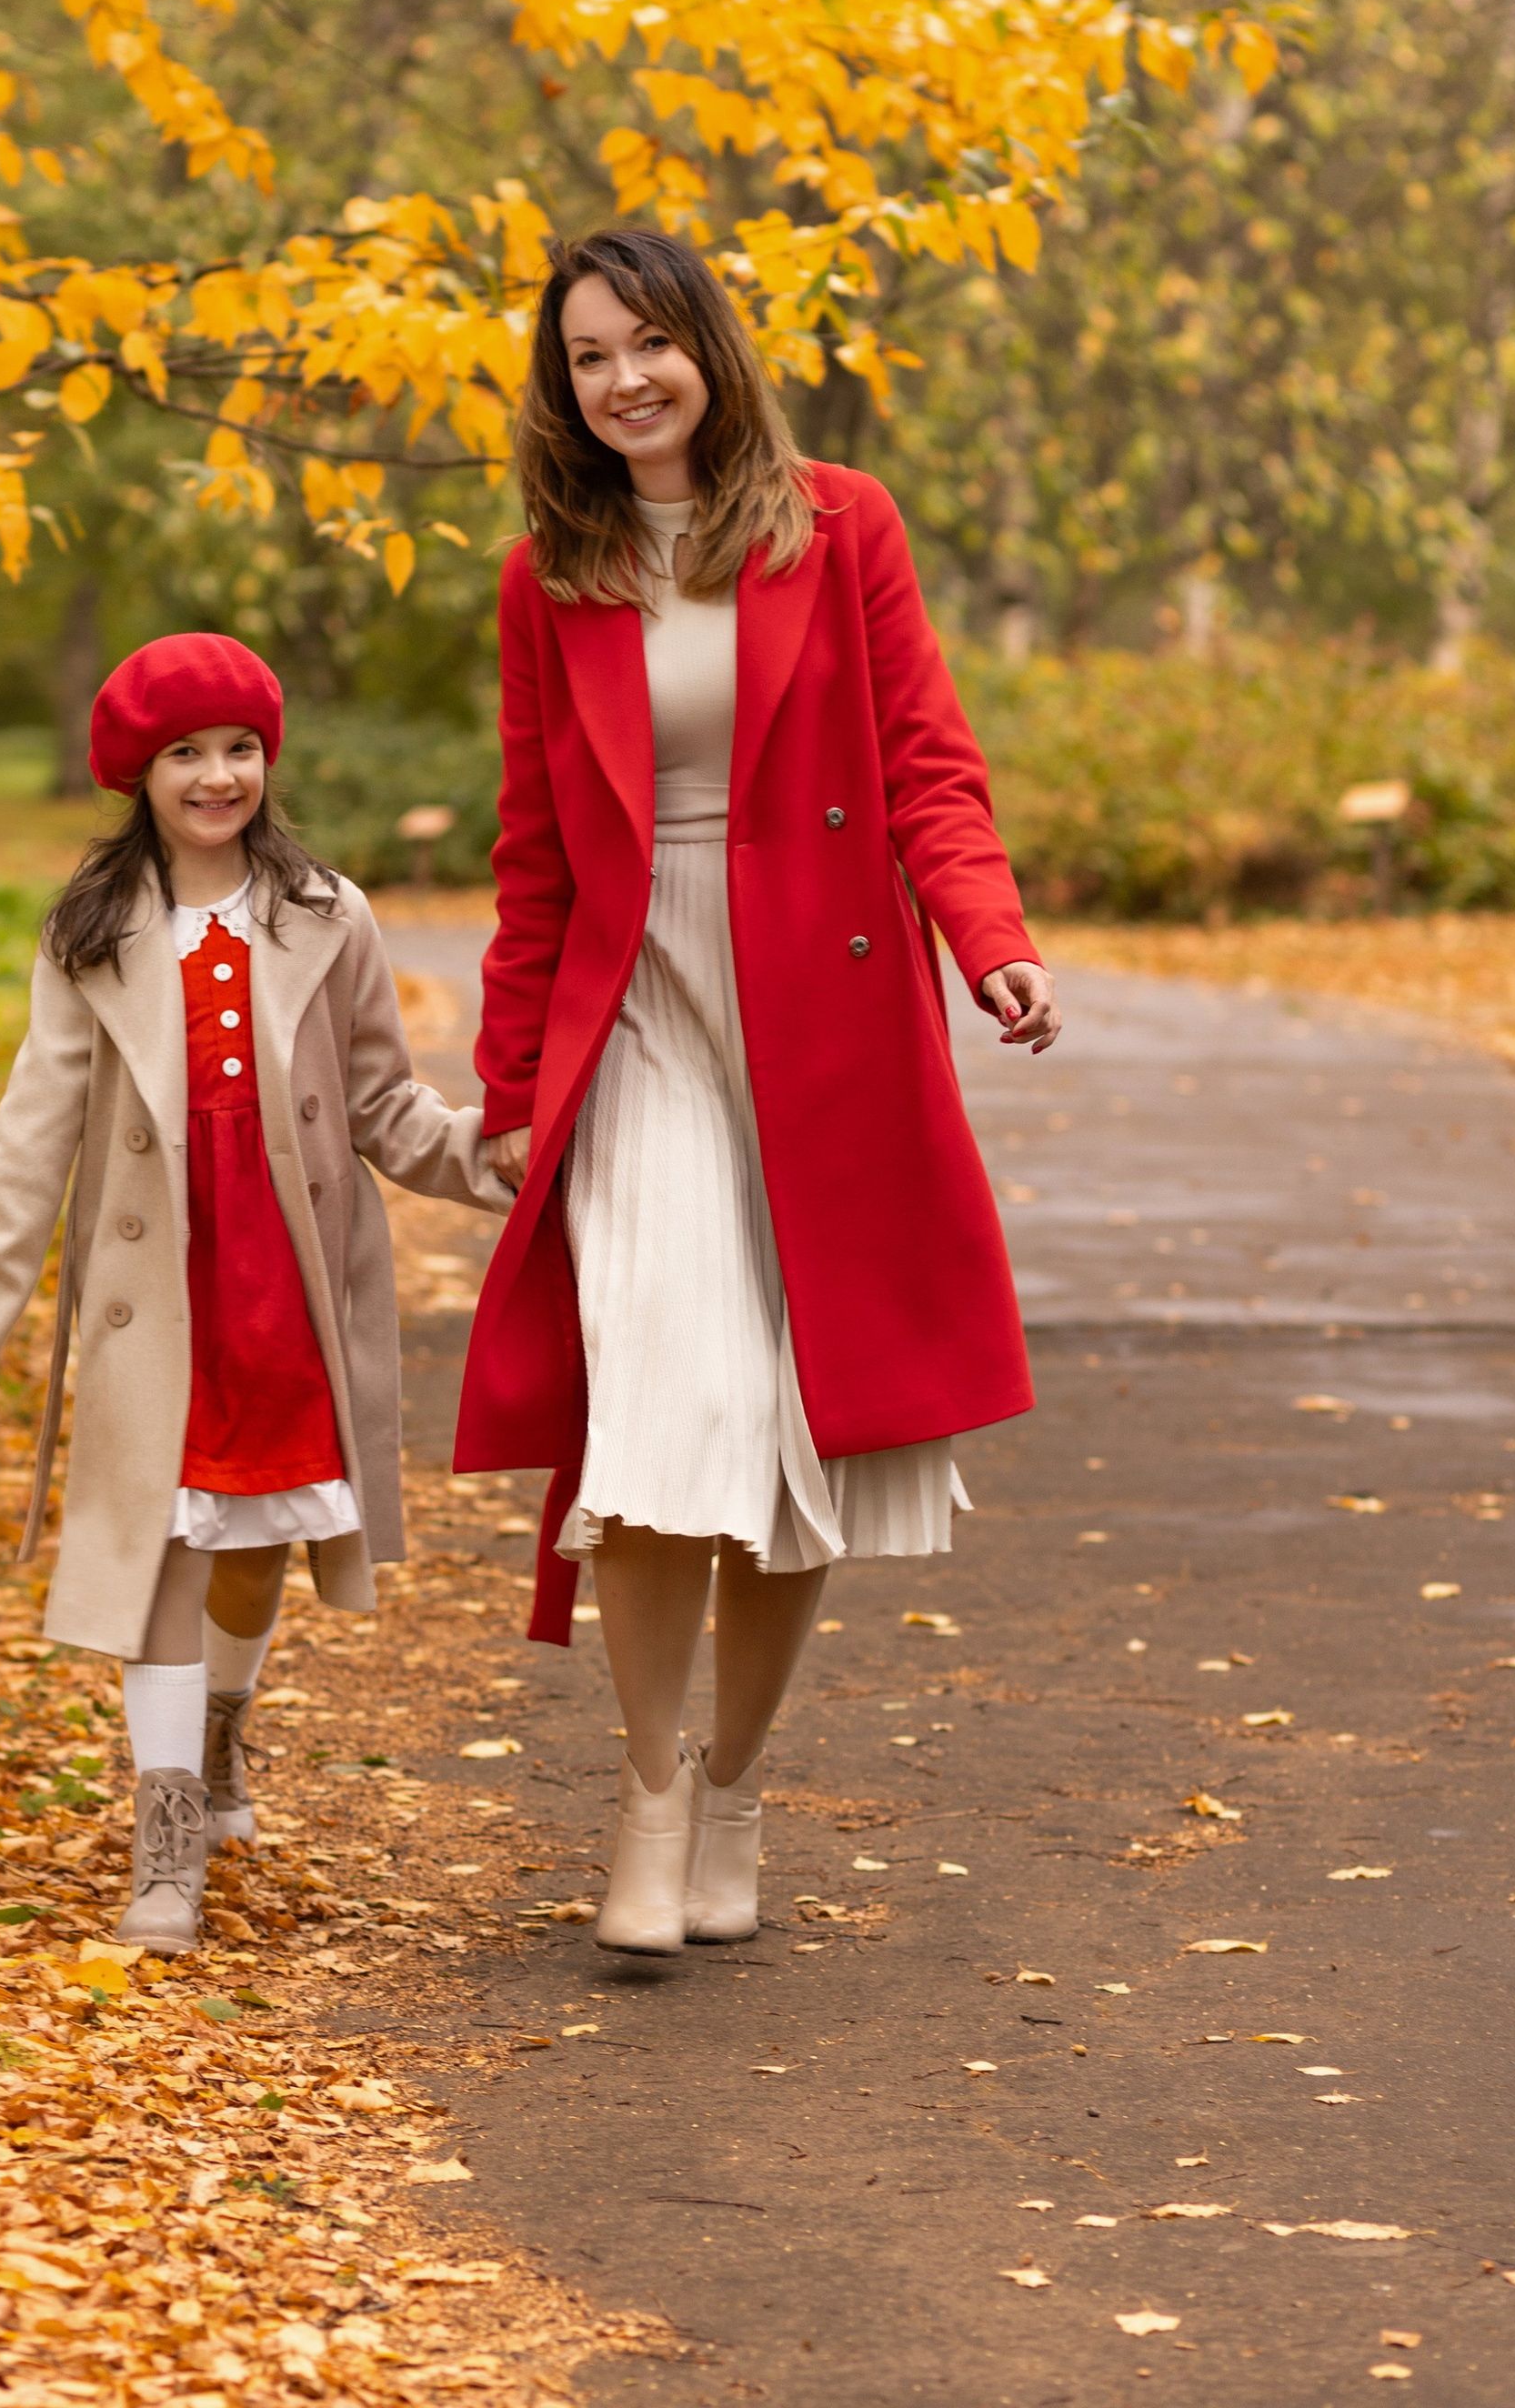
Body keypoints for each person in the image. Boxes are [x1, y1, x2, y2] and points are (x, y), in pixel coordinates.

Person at [460, 228, 1060, 1957]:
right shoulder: (549, 575)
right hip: (639, 1007)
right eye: (588, 356)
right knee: (662, 1414)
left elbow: (929, 765)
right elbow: (533, 853)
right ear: (562, 387)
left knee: (798, 1432)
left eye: (649, 343)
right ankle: (650, 1801)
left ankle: (733, 1789)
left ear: (709, 351)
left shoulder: (839, 524)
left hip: (823, 1007)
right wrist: (512, 1084)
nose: (623, 379)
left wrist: (990, 939)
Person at [0, 632, 509, 1951]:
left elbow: (383, 1099)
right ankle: (165, 1837)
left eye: (238, 749)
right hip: (153, 1288)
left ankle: (222, 1728)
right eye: (185, 753)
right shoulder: (93, 932)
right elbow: (32, 1130)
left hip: (287, 1285)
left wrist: (493, 1161)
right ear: (139, 773)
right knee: (165, 1539)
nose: (217, 775)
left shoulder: (327, 912)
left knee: (256, 1544)